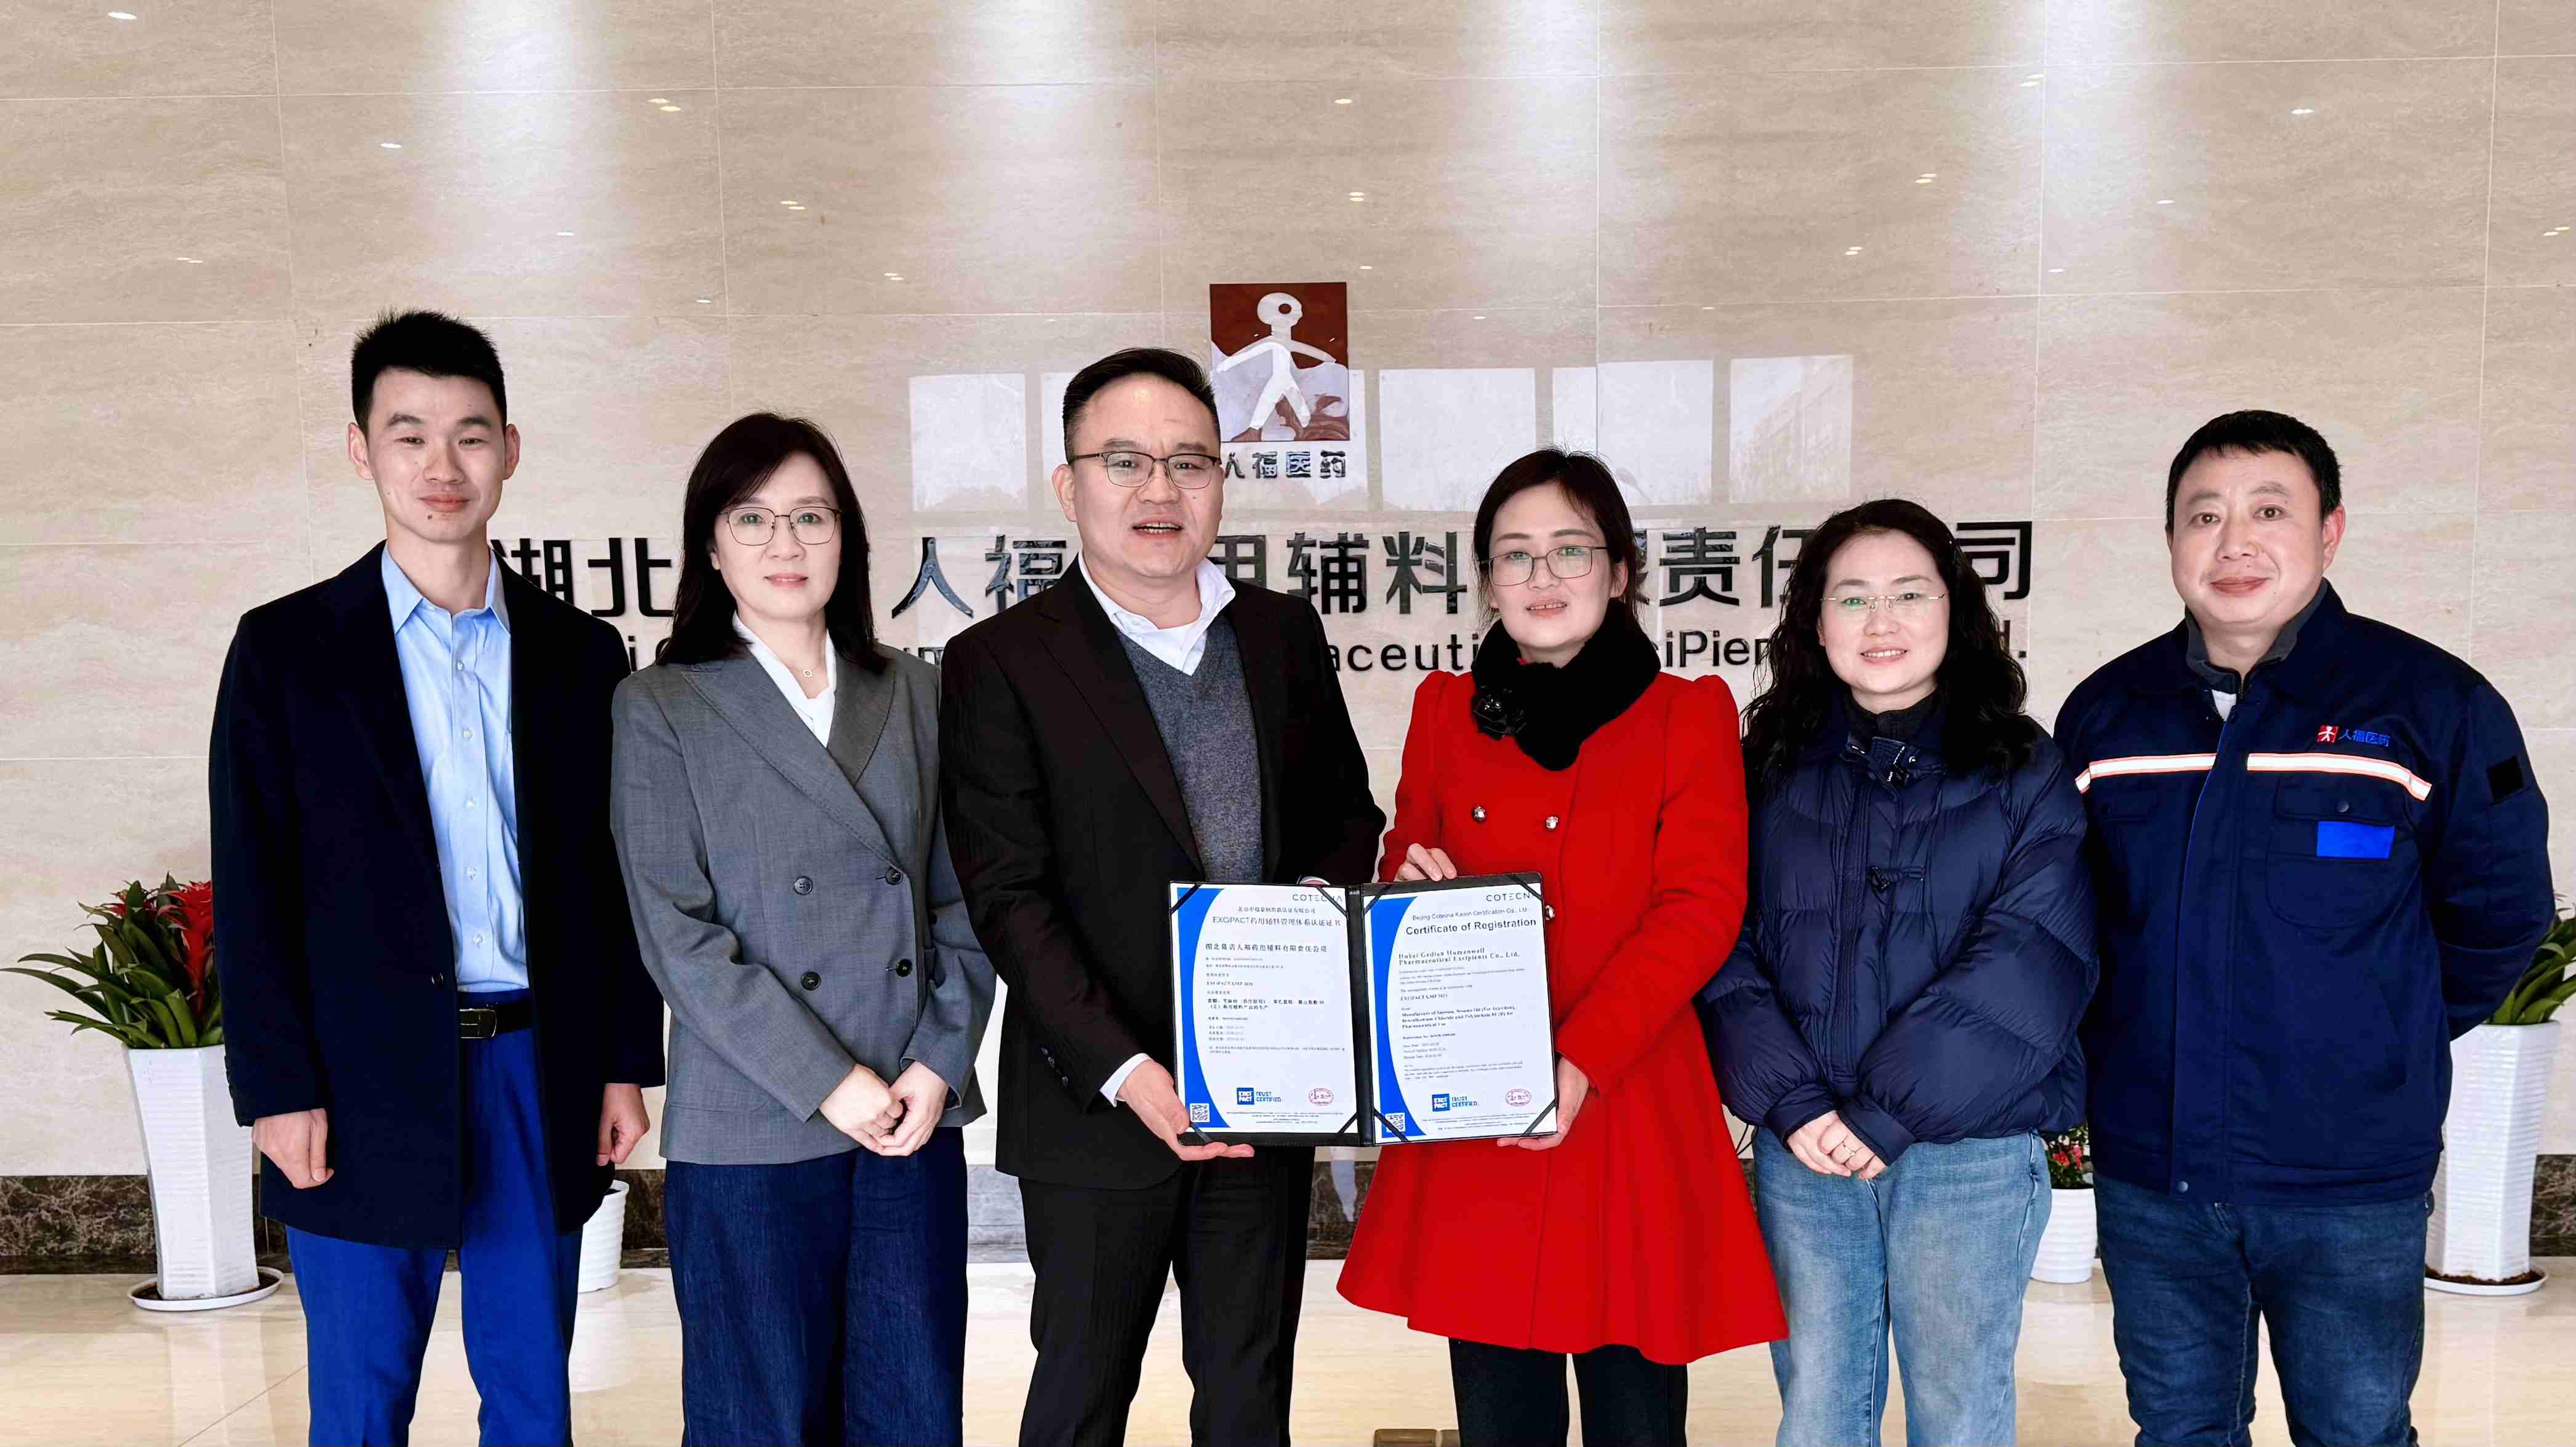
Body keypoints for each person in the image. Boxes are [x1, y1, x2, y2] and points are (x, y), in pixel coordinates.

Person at [209, 310, 664, 1446]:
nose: (440, 465)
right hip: (357, 1075)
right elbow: (253, 889)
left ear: (510, 449)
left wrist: (622, 1061)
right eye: (407, 435)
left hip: (535, 1066)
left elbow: (611, 879)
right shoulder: (286, 650)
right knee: (361, 1403)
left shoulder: (579, 653)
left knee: (532, 1396)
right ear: (360, 451)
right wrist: (276, 1089)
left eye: (469, 435)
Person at [2056, 410, 2554, 1446]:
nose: (2233, 542)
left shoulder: (2431, 703)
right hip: (2154, 1173)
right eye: (2203, 517)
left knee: (2355, 1433)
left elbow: (2497, 912)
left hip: (2347, 1181)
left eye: (2268, 511)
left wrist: (2376, 1032)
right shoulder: (2107, 715)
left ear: (2329, 531)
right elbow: (2073, 923)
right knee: (2178, 1432)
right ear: (2170, 542)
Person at [937, 347, 1385, 1447]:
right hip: (1095, 1106)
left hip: (1264, 1097)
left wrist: (1308, 926)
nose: (1159, 489)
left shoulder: (1280, 635)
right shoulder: (999, 660)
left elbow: (1346, 817)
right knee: (1080, 1399)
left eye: (1189, 462)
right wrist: (1129, 1071)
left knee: (1247, 1399)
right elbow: (1008, 895)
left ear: (1221, 481)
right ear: (1069, 484)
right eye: (1124, 460)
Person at [1337, 449, 1785, 1447]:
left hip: (1625, 1094)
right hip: (1479, 1105)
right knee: (1501, 1412)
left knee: (1636, 1419)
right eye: (1515, 554)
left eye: (1570, 550)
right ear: (1487, 578)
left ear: (1619, 571)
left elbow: (1700, 906)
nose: (1542, 577)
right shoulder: (1445, 710)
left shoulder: (1685, 713)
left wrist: (1579, 1060)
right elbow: (1406, 849)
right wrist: (1405, 883)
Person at [609, 414, 995, 1446]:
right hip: (751, 1118)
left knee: (910, 1410)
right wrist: (829, 1081)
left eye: (811, 517)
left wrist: (938, 1063)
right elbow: (677, 934)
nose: (784, 544)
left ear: (847, 538)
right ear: (710, 545)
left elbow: (964, 901)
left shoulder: (916, 691)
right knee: (759, 1419)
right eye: (753, 518)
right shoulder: (661, 705)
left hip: (910, 1113)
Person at [1699, 497, 2095, 1446]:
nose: (1880, 621)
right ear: (1813, 622)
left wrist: (1886, 1113)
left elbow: (2034, 955)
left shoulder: (2024, 767)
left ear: (1955, 611)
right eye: (1852, 598)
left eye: (1909, 594)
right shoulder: (1761, 769)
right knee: (1818, 1408)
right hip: (1804, 1150)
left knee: (1958, 1413)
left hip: (1970, 1152)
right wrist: (1792, 1101)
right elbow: (1714, 943)